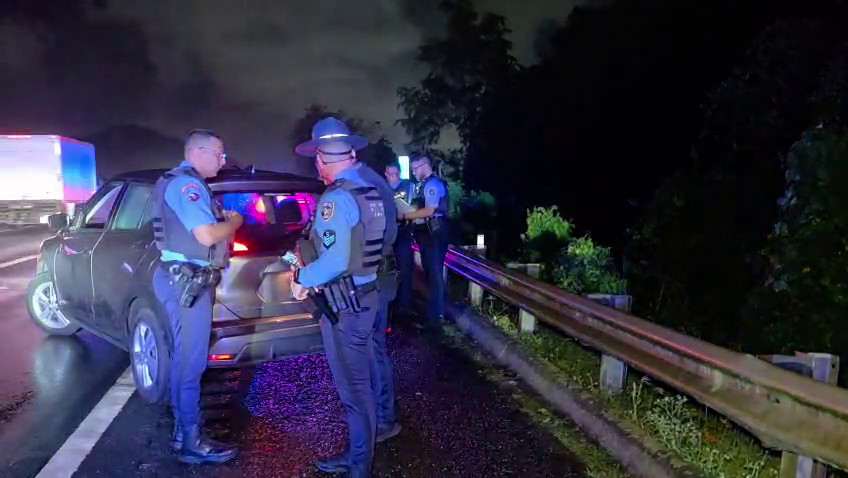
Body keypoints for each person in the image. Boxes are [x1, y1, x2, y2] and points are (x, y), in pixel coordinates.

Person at [291, 117, 387, 478]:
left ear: (321, 159)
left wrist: (302, 278)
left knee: (355, 391)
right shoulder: (370, 192)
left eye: (316, 159)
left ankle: (360, 466)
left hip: (346, 305)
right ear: (351, 154)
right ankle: (357, 455)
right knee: (359, 386)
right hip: (365, 296)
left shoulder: (336, 198)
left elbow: (335, 260)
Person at [151, 129, 243, 464]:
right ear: (197, 152)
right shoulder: (186, 185)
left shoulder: (183, 182)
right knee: (191, 363)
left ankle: (183, 433)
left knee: (185, 360)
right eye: (219, 153)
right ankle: (192, 442)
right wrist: (235, 222)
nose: (223, 159)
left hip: (184, 279)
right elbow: (206, 235)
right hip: (186, 282)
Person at [352, 159, 403, 444]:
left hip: (374, 276)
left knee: (373, 349)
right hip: (376, 274)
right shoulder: (367, 179)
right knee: (369, 348)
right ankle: (376, 413)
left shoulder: (363, 183)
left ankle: (384, 417)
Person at [399, 155, 450, 329]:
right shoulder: (423, 185)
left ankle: (436, 316)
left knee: (434, 274)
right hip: (427, 234)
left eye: (415, 168)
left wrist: (406, 215)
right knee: (431, 273)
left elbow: (429, 210)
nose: (413, 172)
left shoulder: (432, 184)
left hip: (434, 234)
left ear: (425, 165)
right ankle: (434, 314)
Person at [384, 162, 416, 317]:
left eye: (395, 174)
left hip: (404, 233)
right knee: (387, 272)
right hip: (387, 235)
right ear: (385, 174)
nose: (393, 177)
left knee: (405, 270)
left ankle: (405, 307)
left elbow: (416, 206)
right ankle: (390, 306)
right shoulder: (381, 188)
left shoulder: (408, 186)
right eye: (390, 174)